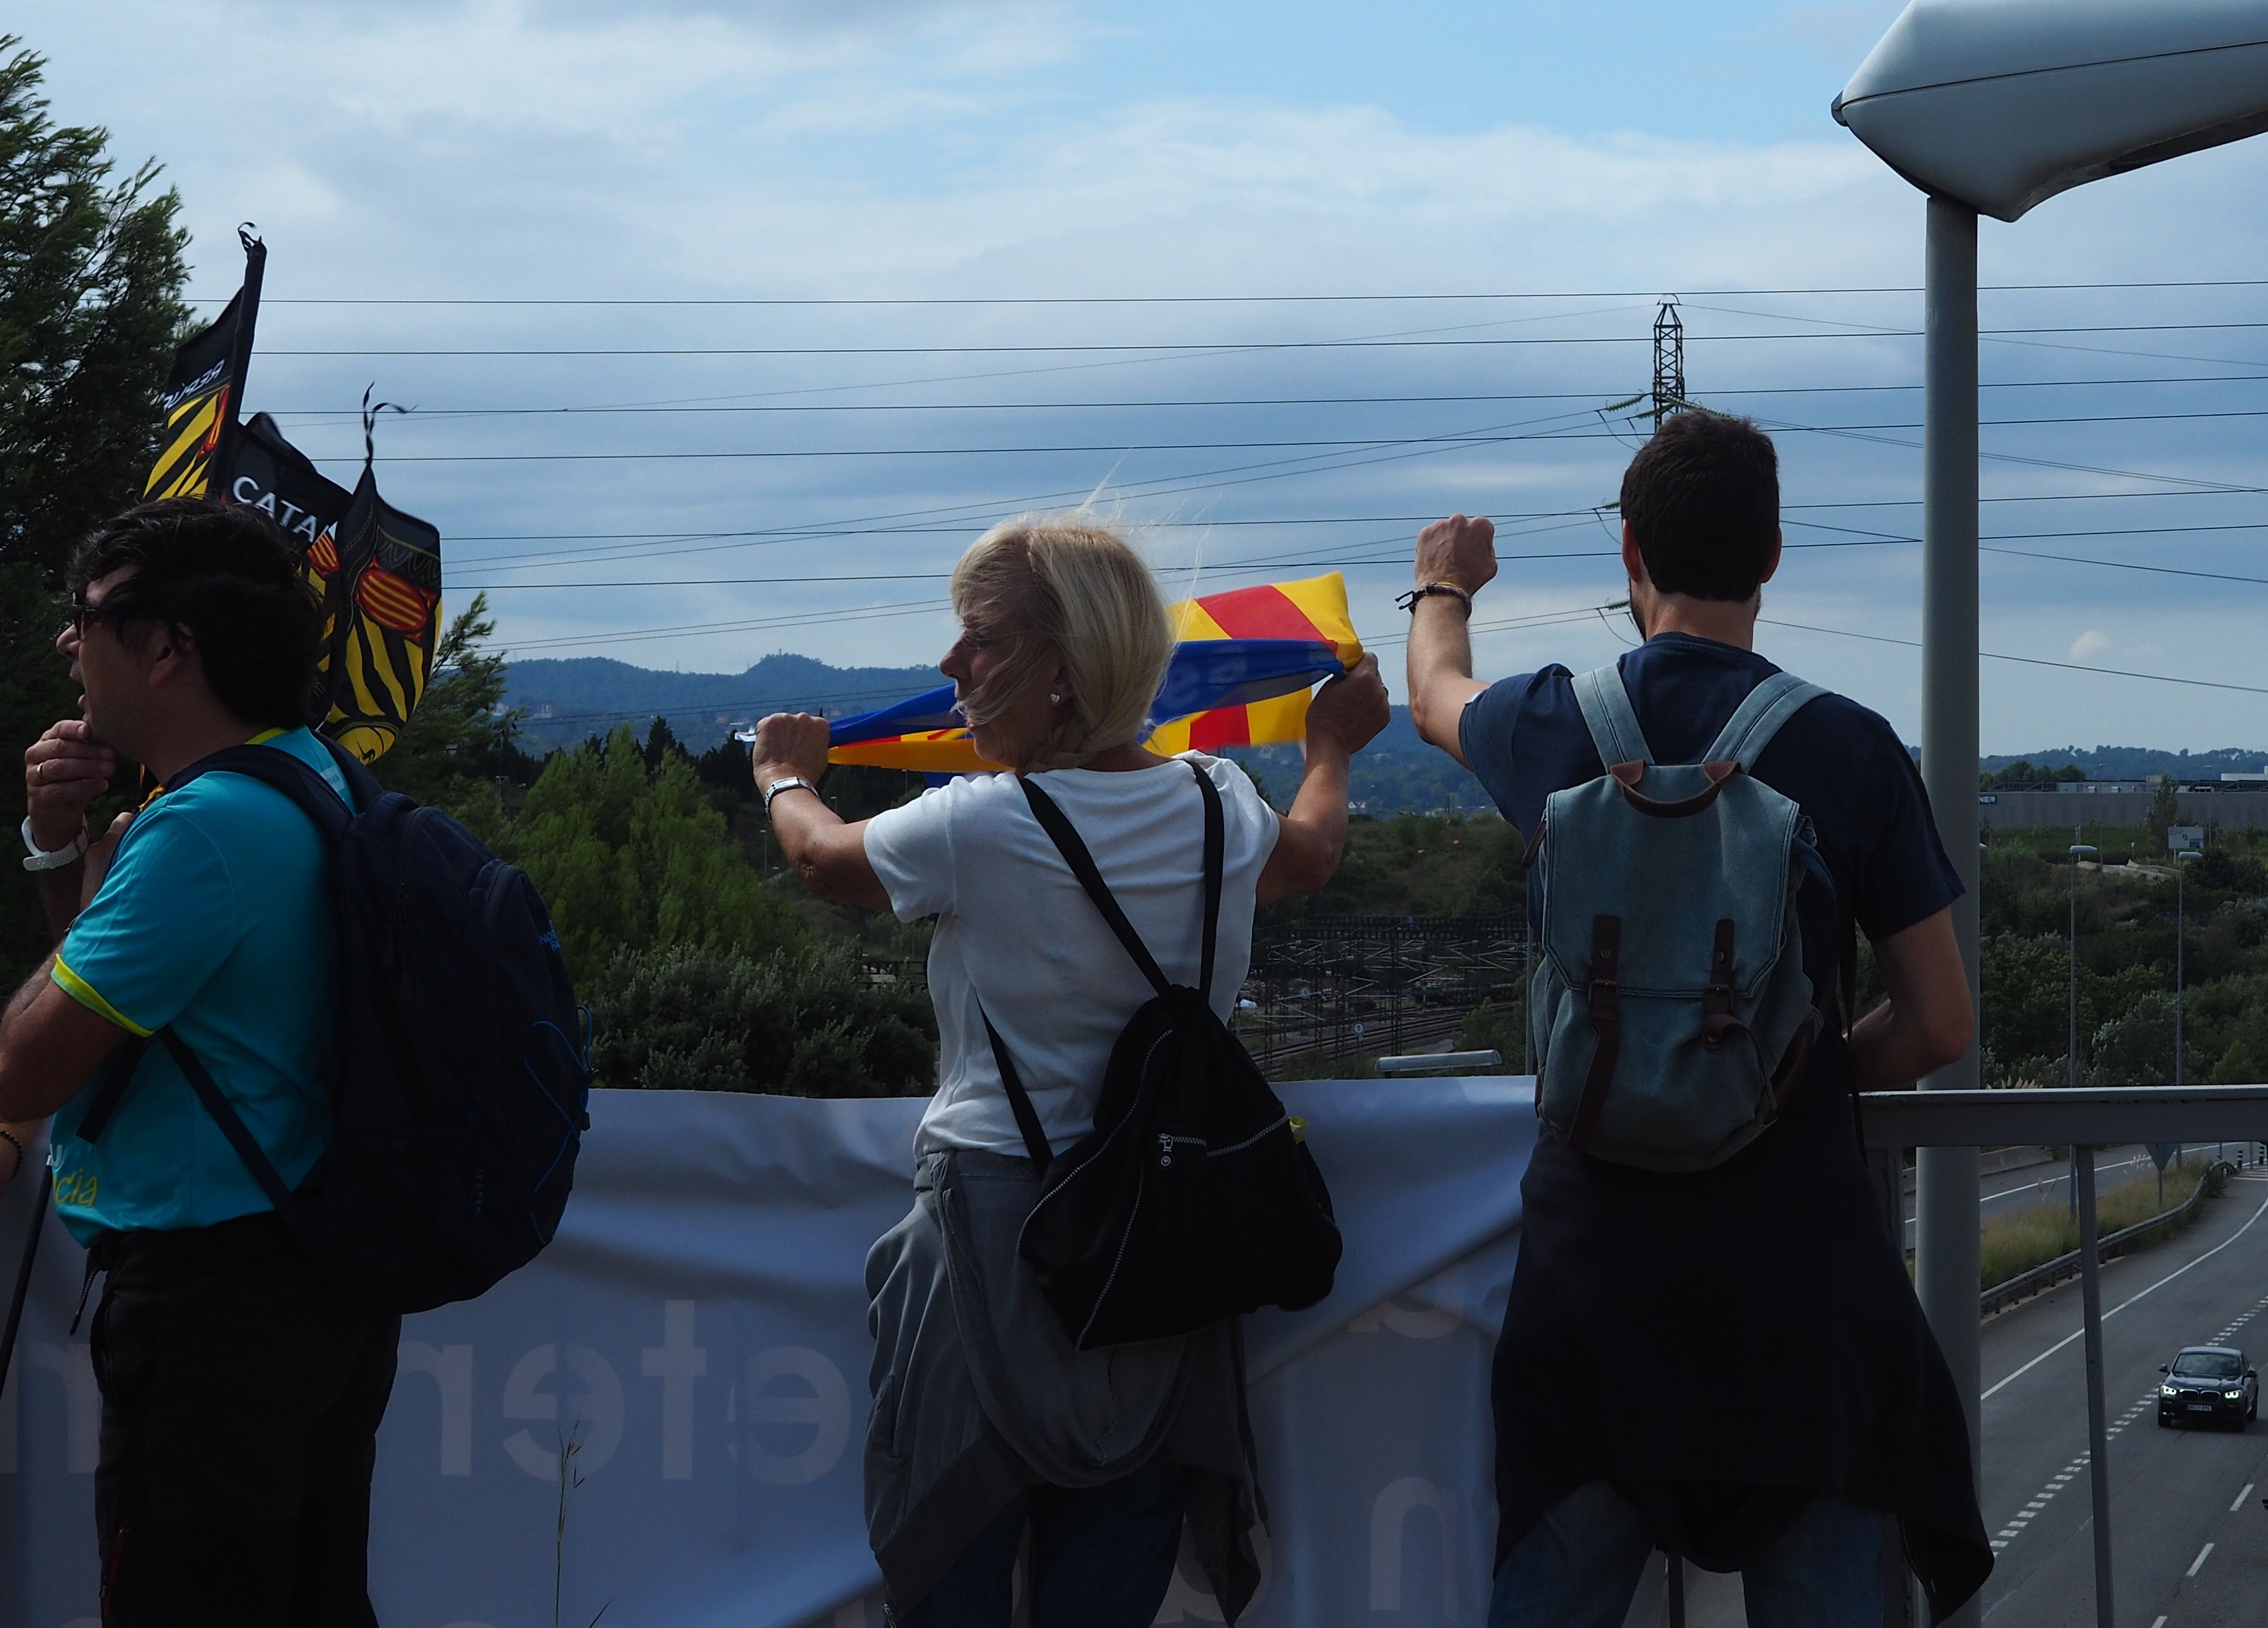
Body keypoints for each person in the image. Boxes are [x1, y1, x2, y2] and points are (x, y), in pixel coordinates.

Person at [1405, 409, 1992, 1627]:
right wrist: (1804, 1070)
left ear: (1631, 553)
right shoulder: (1850, 747)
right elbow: (1940, 1025)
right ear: (1772, 556)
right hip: (1798, 1294)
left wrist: (1442, 585)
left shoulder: (1558, 725)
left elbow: (1433, 697)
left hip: (1595, 1295)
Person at [750, 513, 1388, 1628]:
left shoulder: (982, 827)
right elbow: (1316, 854)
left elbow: (820, 860)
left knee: (951, 1580)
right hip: (1160, 1255)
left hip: (985, 1251)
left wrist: (781, 776)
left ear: (1059, 668)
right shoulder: (1217, 807)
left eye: (978, 637)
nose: (952, 662)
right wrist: (1329, 750)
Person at [0, 500, 394, 1625]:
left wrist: (101, 865)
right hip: (315, 1275)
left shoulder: (200, 831)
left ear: (169, 647)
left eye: (87, 618)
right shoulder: (303, 774)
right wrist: (61, 844)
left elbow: (28, 1071)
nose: (70, 645)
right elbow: (148, 1001)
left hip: (210, 1309)